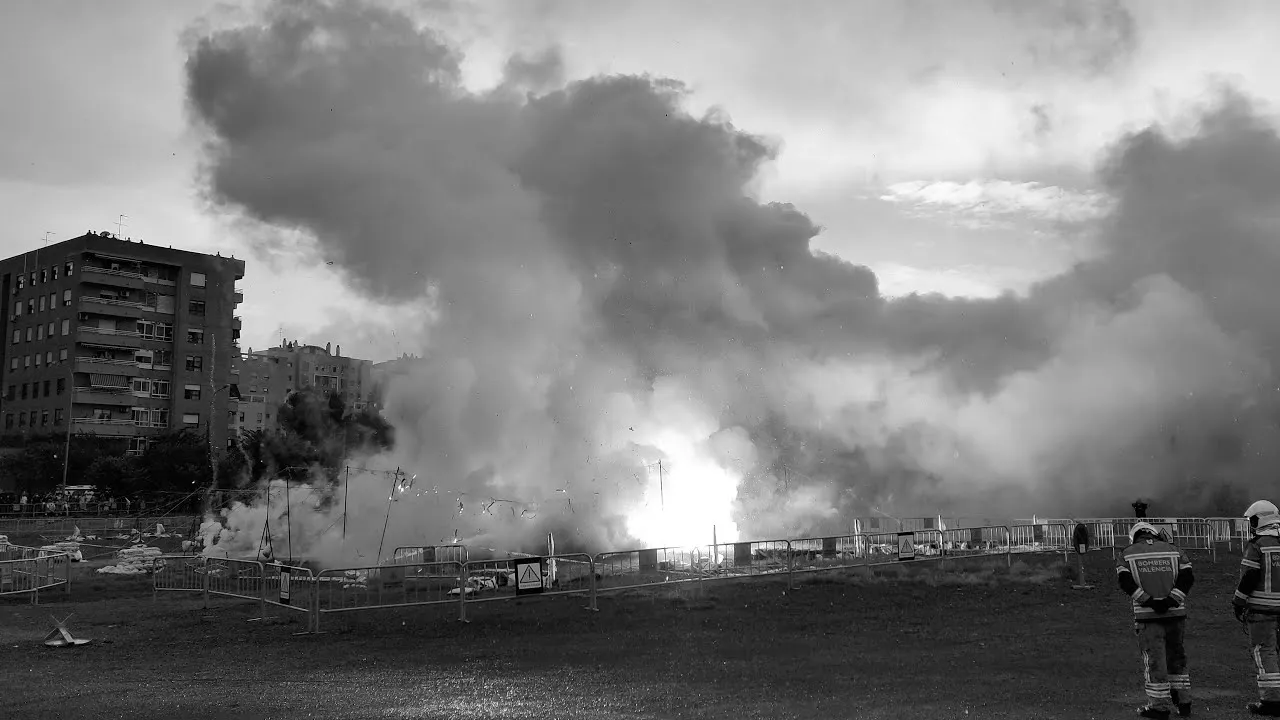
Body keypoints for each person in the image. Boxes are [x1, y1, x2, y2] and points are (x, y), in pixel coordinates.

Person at [1118, 521, 1195, 718]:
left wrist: (1149, 601)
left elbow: (1125, 583)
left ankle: (1159, 707)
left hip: (1148, 617)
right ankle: (1184, 703)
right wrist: (1172, 600)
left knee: (1154, 661)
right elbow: (1187, 578)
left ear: (1135, 536)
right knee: (1177, 657)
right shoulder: (1176, 551)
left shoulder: (1127, 554)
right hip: (1176, 615)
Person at [1233, 503, 1280, 716]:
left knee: (1265, 653)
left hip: (1262, 610)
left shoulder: (1258, 545)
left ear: (1259, 520)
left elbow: (1250, 577)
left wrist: (1238, 601)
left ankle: (1271, 701)